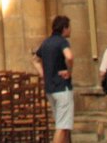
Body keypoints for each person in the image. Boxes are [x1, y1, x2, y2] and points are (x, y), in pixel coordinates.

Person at [34, 15, 74, 143]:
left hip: (50, 88)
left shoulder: (46, 42)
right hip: (62, 88)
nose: (70, 30)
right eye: (69, 27)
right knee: (62, 127)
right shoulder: (62, 41)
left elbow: (35, 59)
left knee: (63, 124)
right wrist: (69, 71)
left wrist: (43, 74)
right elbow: (70, 56)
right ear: (64, 28)